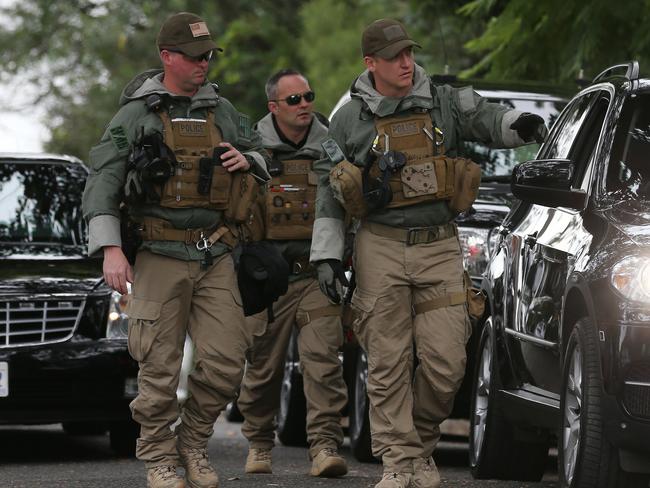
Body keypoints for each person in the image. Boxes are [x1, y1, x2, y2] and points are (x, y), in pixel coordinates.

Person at [310, 18, 549, 488]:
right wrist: (327, 256)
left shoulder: (444, 101)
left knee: (447, 362)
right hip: (378, 246)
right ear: (370, 63)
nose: (406, 62)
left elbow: (488, 118)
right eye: (395, 56)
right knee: (386, 361)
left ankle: (417, 444)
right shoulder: (348, 119)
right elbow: (329, 191)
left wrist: (520, 125)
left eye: (409, 53)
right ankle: (399, 462)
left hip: (439, 245)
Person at [82, 12, 270, 488]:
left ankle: (192, 442)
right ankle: (160, 460)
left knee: (228, 362)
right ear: (167, 57)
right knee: (159, 368)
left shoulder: (222, 111)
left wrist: (248, 159)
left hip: (215, 254)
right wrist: (110, 249)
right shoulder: (134, 114)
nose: (205, 64)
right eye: (195, 57)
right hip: (159, 254)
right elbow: (103, 178)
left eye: (209, 56)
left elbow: (263, 153)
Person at [236, 69, 349, 478]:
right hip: (270, 279)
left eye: (309, 96)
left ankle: (323, 446)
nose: (305, 105)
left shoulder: (333, 147)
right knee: (262, 365)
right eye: (294, 100)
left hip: (317, 275)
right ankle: (260, 443)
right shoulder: (250, 149)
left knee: (323, 362)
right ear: (273, 107)